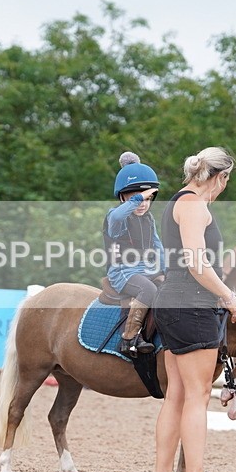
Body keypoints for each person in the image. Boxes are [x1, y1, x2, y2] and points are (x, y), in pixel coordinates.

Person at [152, 146, 236, 472]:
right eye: (227, 179)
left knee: (176, 395)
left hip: (173, 302)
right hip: (192, 306)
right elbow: (196, 263)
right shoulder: (194, 205)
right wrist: (228, 296)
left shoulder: (179, 201)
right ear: (221, 177)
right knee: (198, 395)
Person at [104, 152, 165, 357]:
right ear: (122, 197)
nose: (142, 203)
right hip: (122, 271)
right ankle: (128, 338)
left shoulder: (149, 219)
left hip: (146, 269)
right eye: (135, 198)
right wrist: (140, 197)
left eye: (147, 199)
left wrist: (167, 270)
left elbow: (158, 246)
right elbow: (118, 215)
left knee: (168, 286)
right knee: (148, 289)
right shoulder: (116, 217)